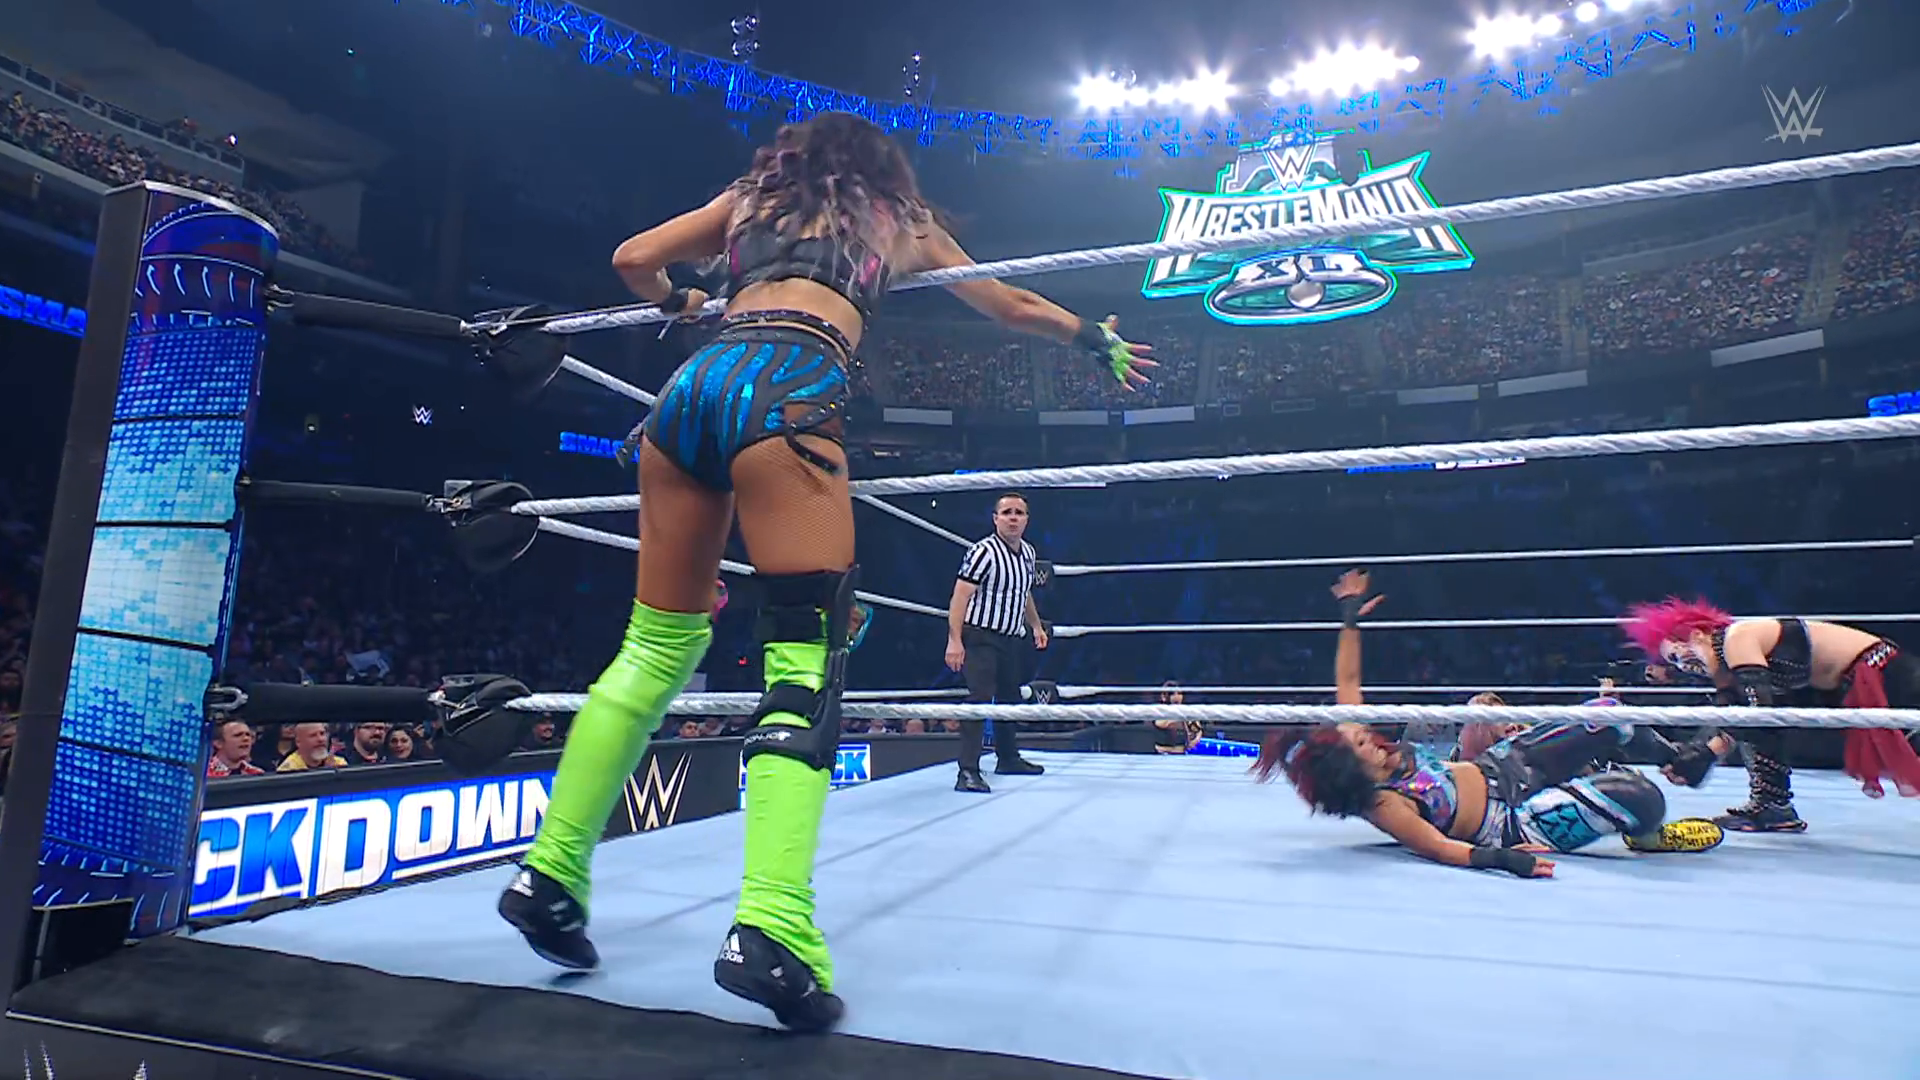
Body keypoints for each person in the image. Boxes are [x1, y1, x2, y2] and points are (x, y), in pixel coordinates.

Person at [496, 110, 1154, 1033]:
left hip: (693, 387)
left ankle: (550, 874)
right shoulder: (900, 218)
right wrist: (1094, 337)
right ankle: (772, 927)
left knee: (653, 647)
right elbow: (1009, 303)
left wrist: (682, 303)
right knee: (802, 666)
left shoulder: (751, 199)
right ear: (885, 168)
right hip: (792, 384)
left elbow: (632, 258)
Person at [1253, 571, 1723, 879]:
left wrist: (1350, 617)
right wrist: (1505, 860)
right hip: (1514, 822)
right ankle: (1645, 835)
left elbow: (1349, 681)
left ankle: (1682, 760)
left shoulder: (1368, 750)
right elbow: (1438, 847)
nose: (1372, 740)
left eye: (1362, 735)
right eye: (1361, 746)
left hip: (1509, 764)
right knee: (1640, 795)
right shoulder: (1383, 804)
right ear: (1349, 772)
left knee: (1609, 712)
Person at [1623, 597, 1920, 833]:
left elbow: (1757, 714)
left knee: (1910, 743)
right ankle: (1773, 806)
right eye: (1674, 664)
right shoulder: (1727, 669)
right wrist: (1698, 754)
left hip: (1881, 672)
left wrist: (1709, 752)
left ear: (1697, 634)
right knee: (1761, 730)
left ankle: (1772, 805)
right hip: (1844, 685)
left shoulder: (1736, 638)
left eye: (1678, 655)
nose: (1684, 666)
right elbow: (1741, 719)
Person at [944, 491, 1050, 792]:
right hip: (980, 635)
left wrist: (1036, 625)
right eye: (1006, 513)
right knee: (979, 698)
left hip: (1011, 637)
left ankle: (1008, 758)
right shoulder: (983, 552)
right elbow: (960, 596)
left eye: (1018, 513)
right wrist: (954, 640)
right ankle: (967, 771)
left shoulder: (1028, 553)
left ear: (1026, 520)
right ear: (995, 519)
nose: (1013, 518)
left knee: (1009, 699)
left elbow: (1023, 592)